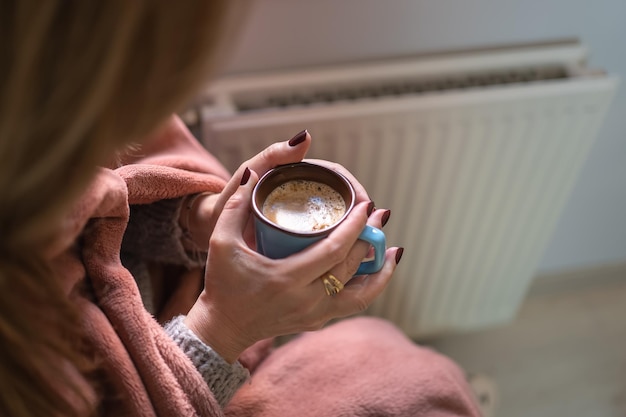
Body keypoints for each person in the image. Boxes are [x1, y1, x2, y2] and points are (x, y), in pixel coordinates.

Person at [0, 2, 484, 416]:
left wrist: (195, 218)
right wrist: (222, 329)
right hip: (191, 376)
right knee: (426, 384)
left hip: (184, 338)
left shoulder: (46, 126)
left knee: (390, 350)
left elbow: (96, 208)